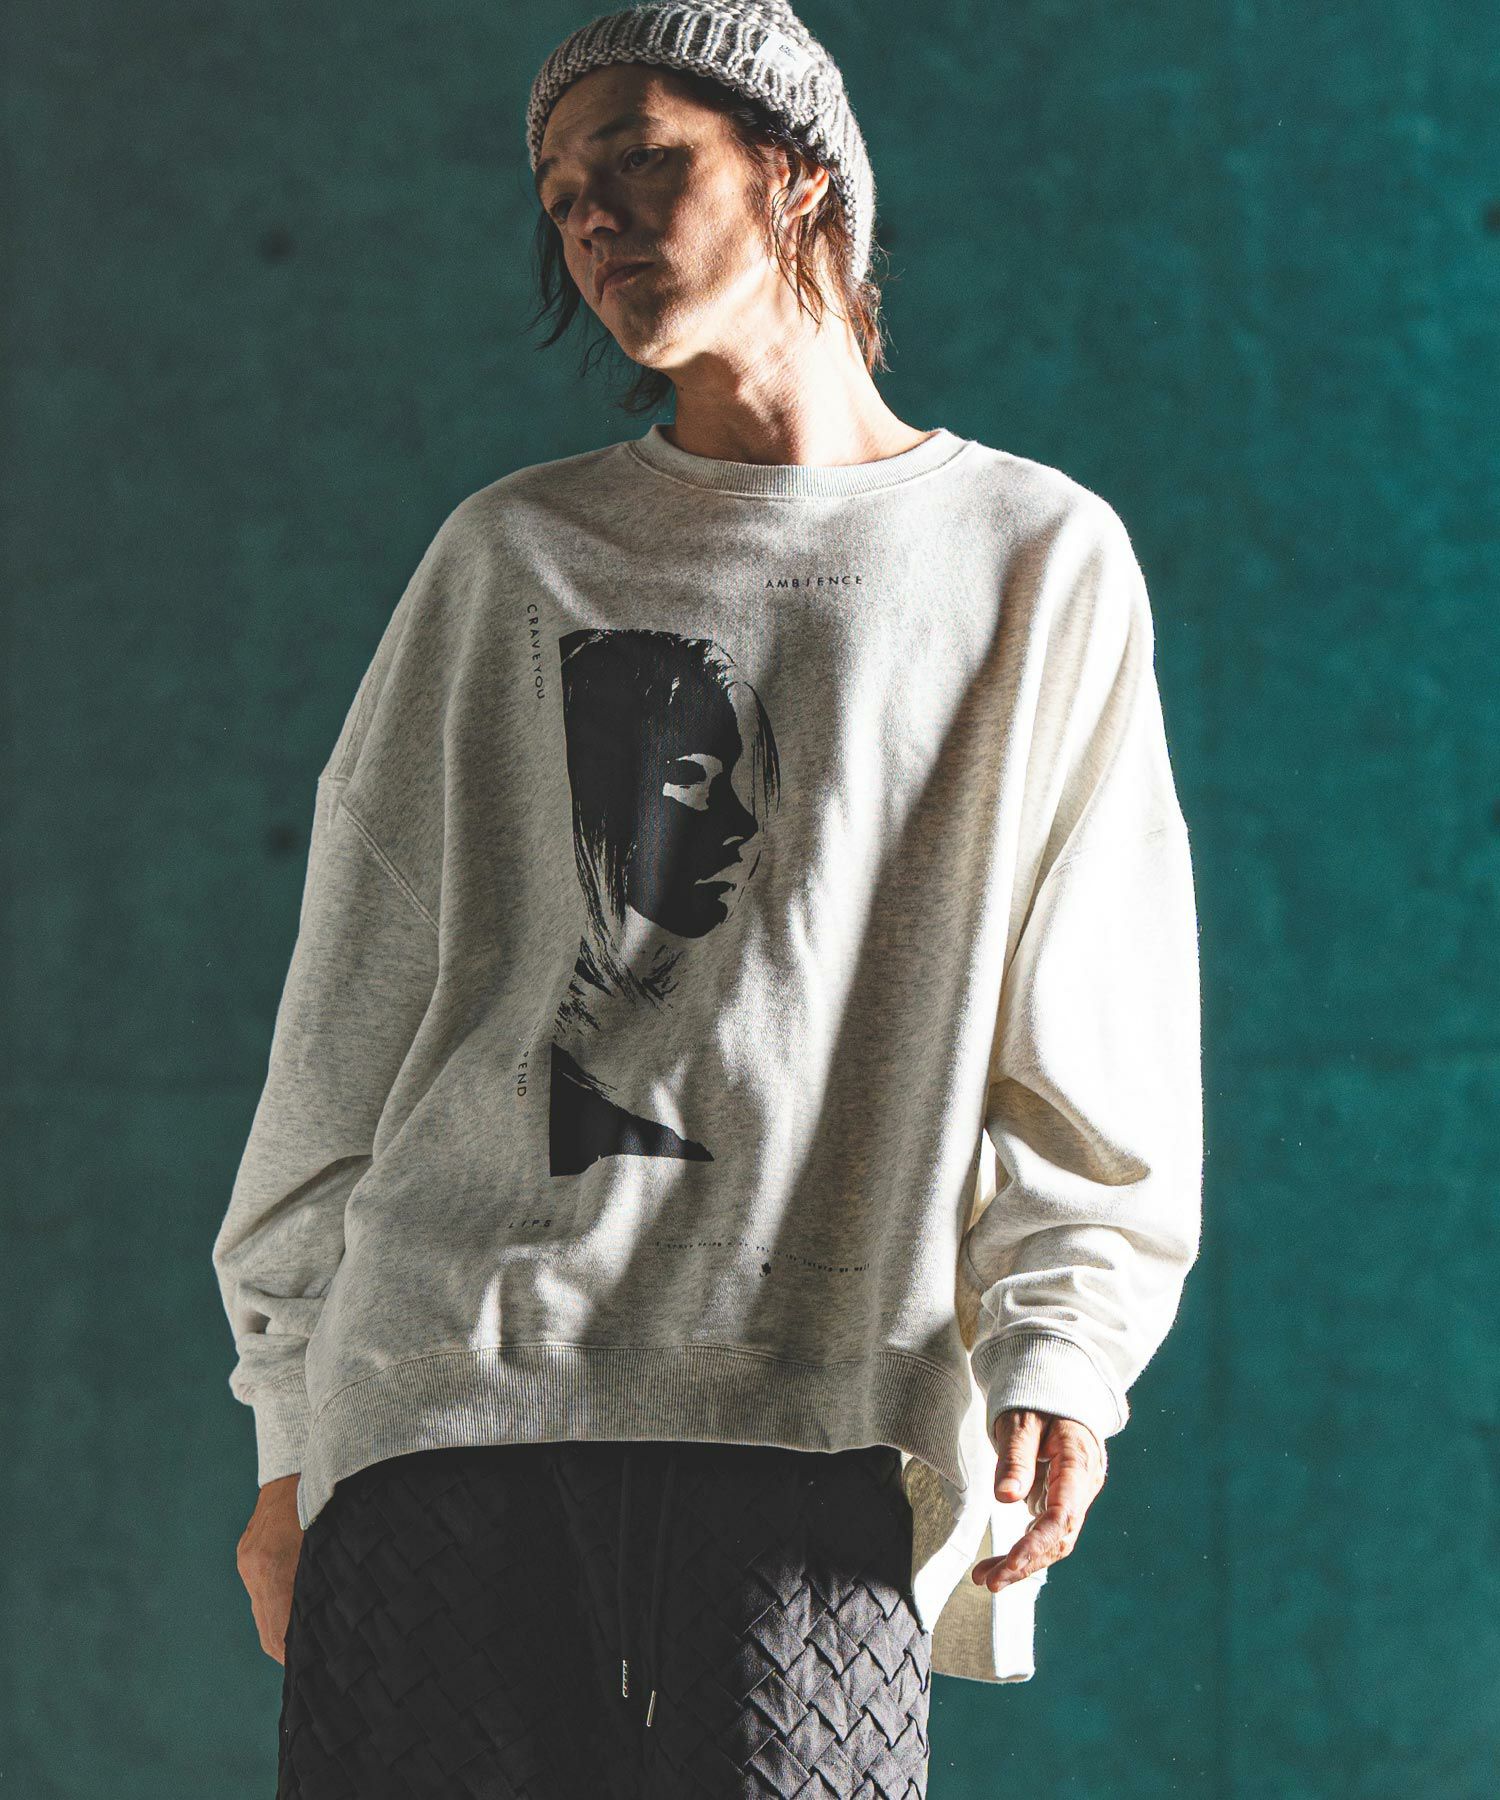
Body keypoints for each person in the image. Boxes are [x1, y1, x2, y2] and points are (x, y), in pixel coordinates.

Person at [214, 3, 1205, 1795]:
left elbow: (1098, 1012)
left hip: (819, 1407)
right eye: (558, 195)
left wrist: (1067, 1345)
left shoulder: (1032, 561)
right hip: (448, 1402)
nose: (590, 218)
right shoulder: (513, 556)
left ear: (800, 173)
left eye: (641, 159)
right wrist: (294, 1429)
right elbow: (352, 1007)